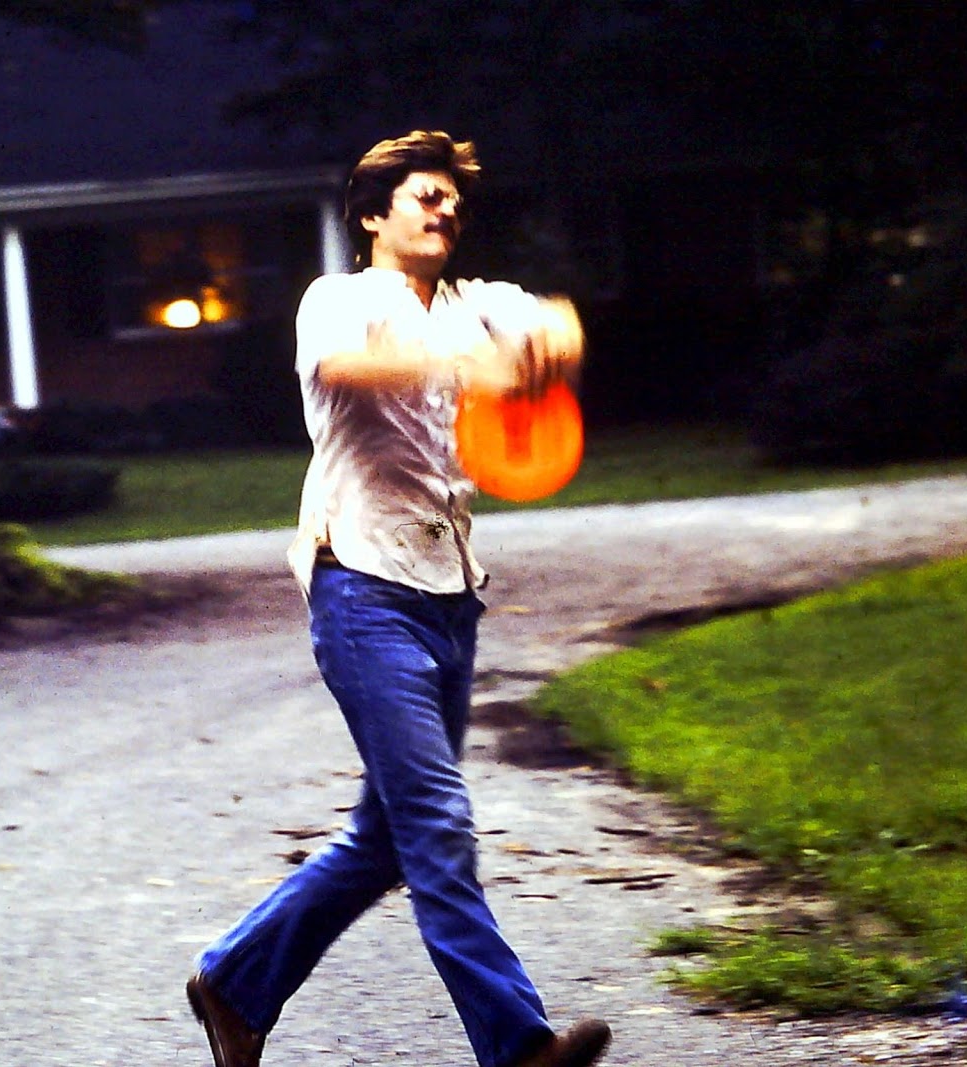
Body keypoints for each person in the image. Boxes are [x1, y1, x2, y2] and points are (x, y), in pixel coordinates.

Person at [185, 130, 611, 1067]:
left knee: (385, 839)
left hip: (450, 595)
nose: (446, 210)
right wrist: (470, 368)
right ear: (376, 214)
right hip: (362, 592)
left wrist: (547, 353)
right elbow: (345, 368)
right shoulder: (339, 300)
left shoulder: (475, 304)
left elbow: (563, 324)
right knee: (437, 823)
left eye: (453, 200)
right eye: (427, 195)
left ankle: (232, 982)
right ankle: (518, 1046)